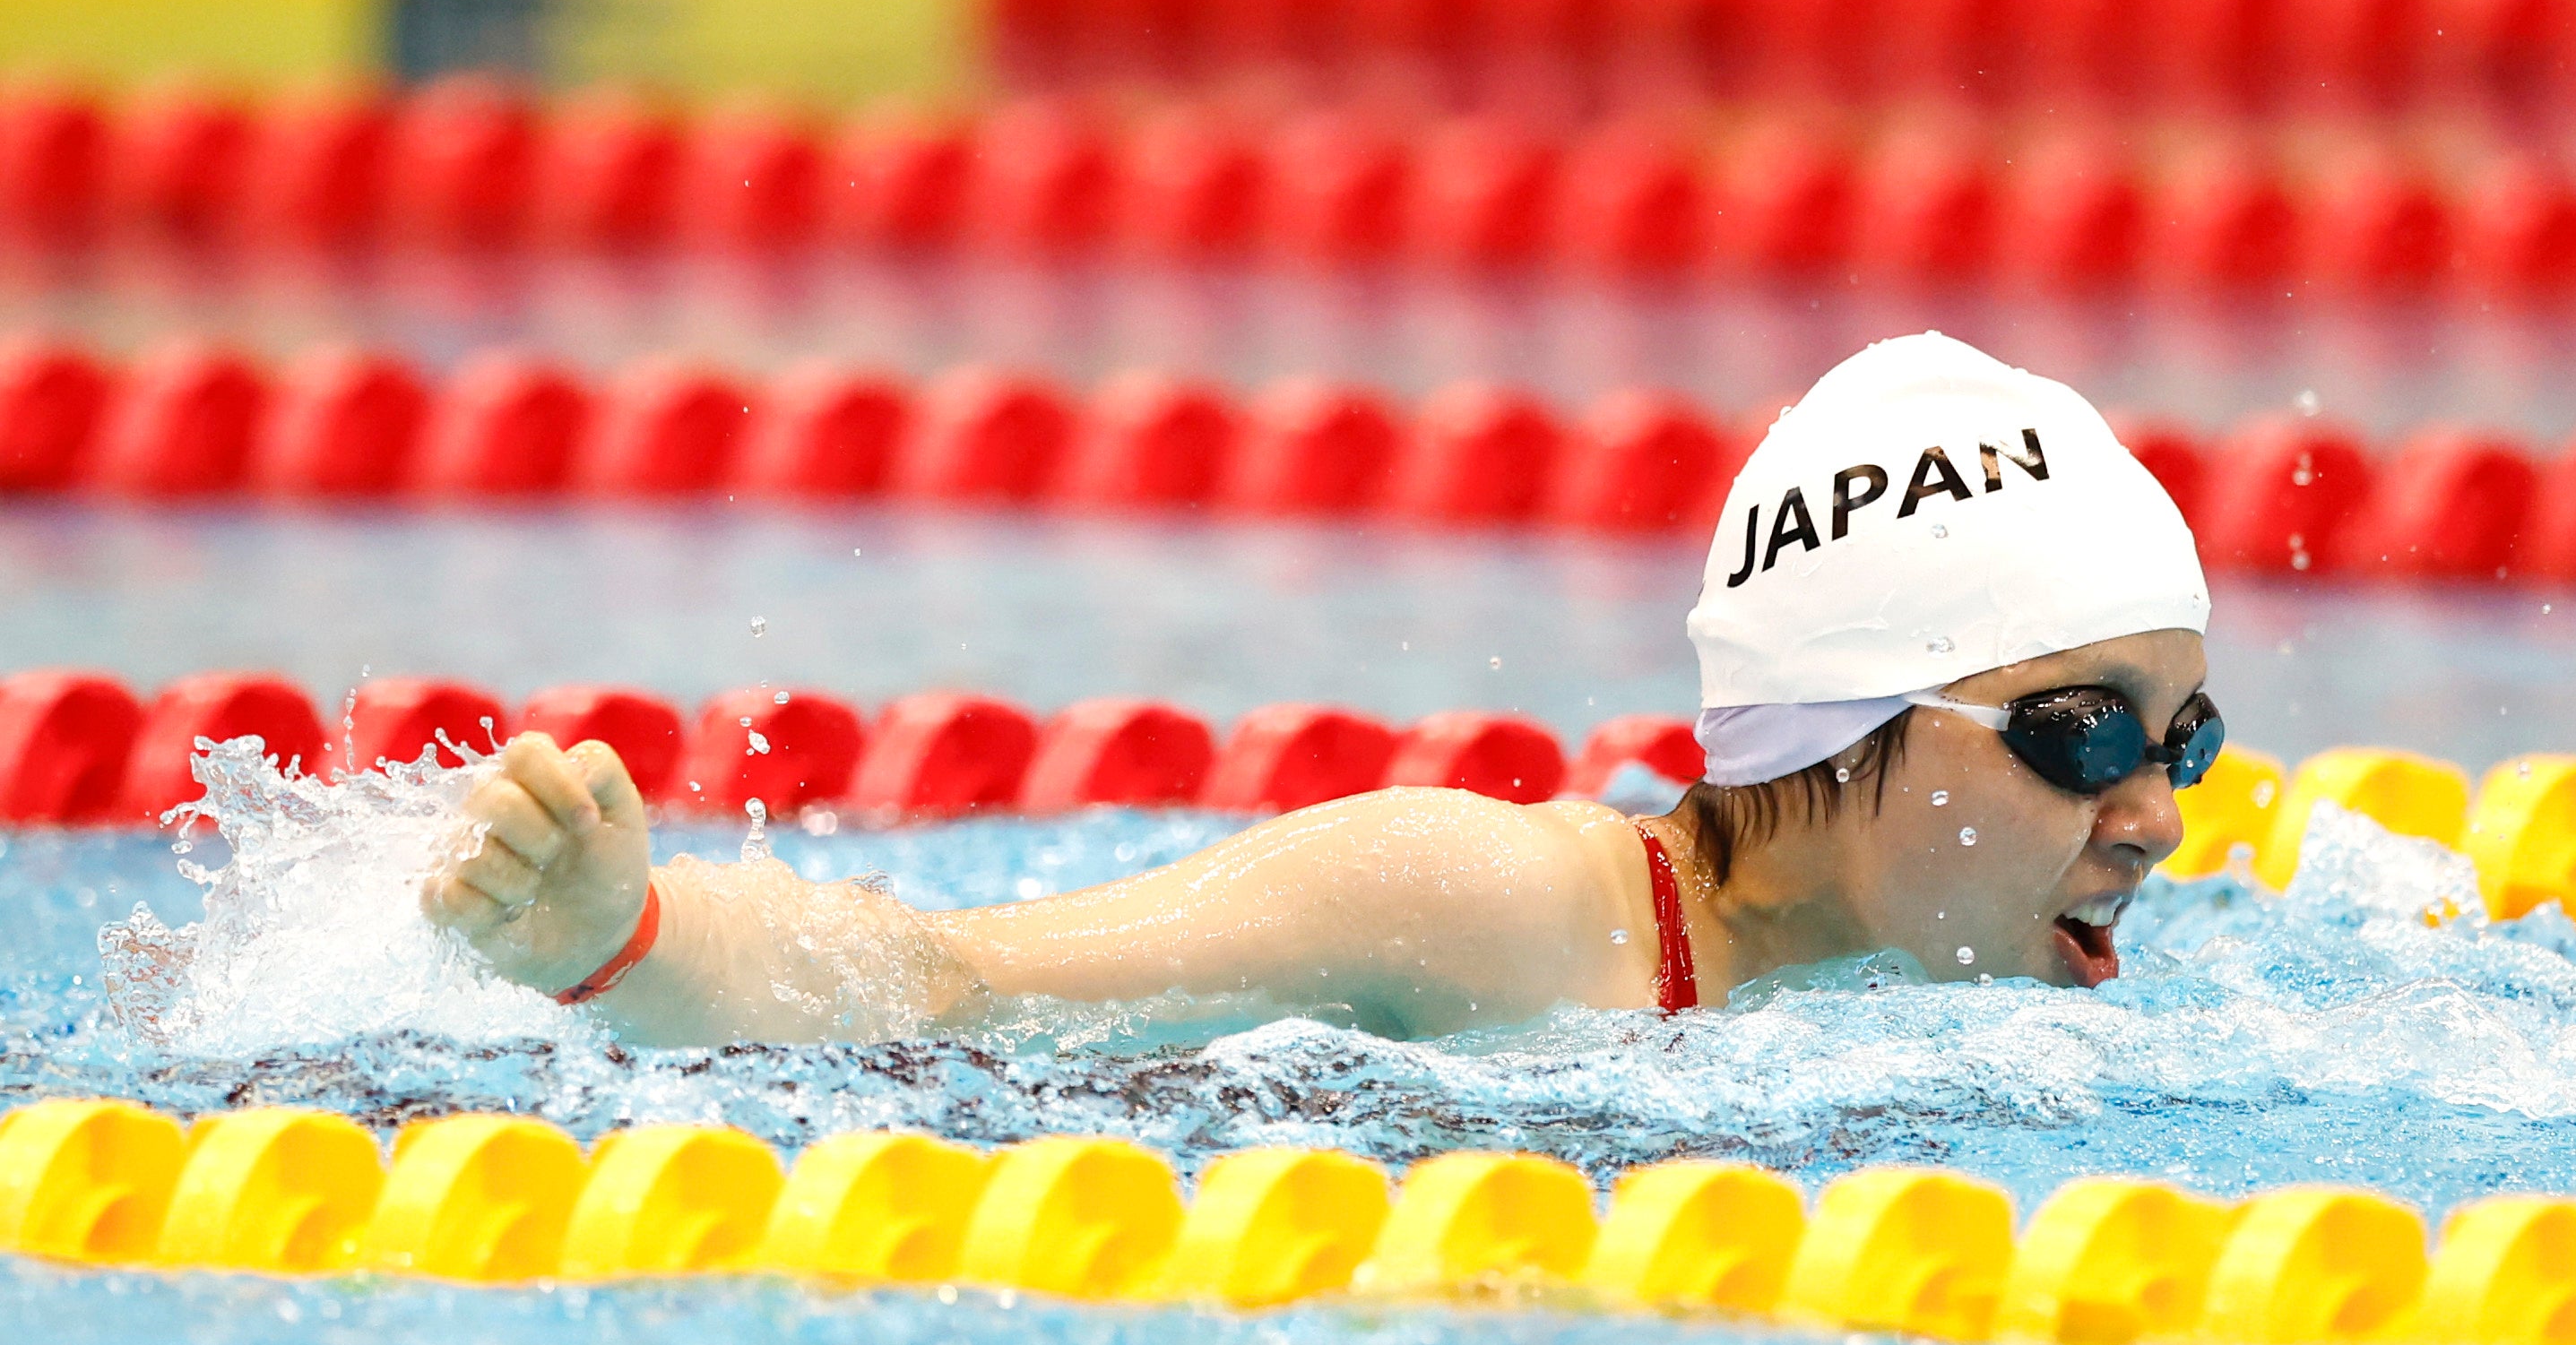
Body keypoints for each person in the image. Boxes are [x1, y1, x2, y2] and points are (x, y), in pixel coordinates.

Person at [423, 332, 2219, 1046]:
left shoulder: (2035, 1019)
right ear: (1843, 719)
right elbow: (957, 978)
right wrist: (618, 935)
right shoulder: (1487, 906)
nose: (2152, 813)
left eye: (2185, 736)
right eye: (2087, 734)